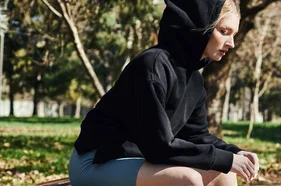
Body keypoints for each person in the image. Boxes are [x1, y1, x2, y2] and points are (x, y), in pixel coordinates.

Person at [68, 0, 259, 185]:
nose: (231, 43)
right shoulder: (152, 66)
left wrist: (234, 153)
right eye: (224, 32)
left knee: (224, 174)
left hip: (139, 159)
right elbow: (157, 146)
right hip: (97, 161)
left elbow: (196, 135)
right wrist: (225, 159)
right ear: (200, 26)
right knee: (187, 180)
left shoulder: (194, 79)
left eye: (233, 34)